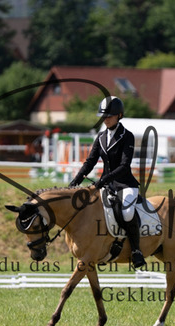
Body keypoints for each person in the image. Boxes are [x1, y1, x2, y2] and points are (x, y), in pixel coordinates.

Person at [69, 96, 146, 269]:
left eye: (109, 116)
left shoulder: (127, 136)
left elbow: (124, 166)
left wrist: (103, 180)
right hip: (106, 185)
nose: (106, 119)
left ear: (119, 115)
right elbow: (90, 161)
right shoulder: (101, 137)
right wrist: (76, 180)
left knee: (127, 213)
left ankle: (136, 250)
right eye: (104, 116)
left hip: (125, 184)